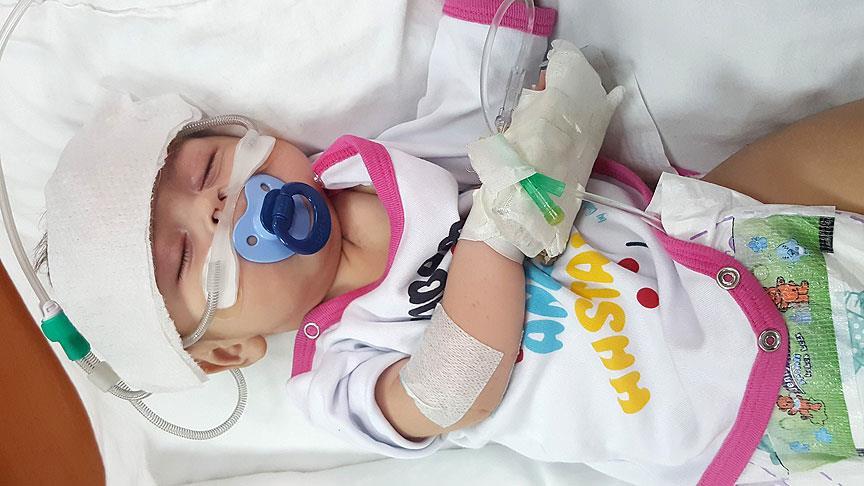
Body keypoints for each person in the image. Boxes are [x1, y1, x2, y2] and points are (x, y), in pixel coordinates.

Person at [37, 1, 864, 484]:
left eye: (206, 169)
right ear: (226, 351)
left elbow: (486, 67)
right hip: (747, 418)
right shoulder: (340, 370)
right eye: (185, 256)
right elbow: (449, 393)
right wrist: (495, 233)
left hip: (727, 241)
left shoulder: (396, 161)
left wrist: (543, 110)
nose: (219, 209)